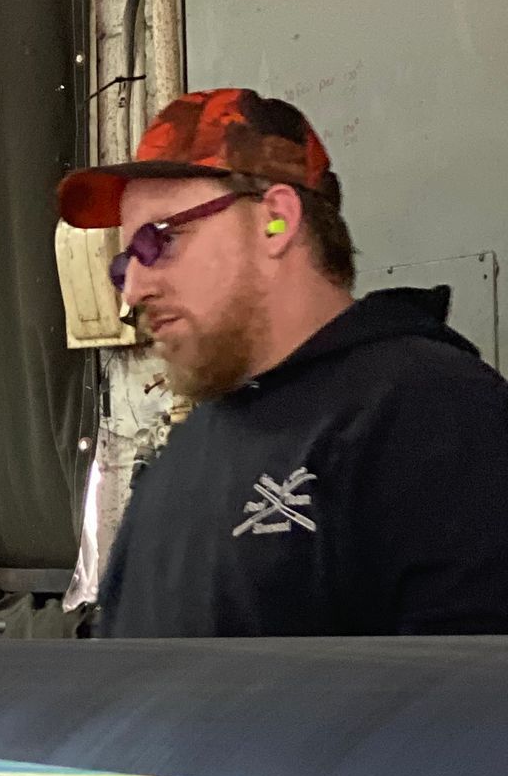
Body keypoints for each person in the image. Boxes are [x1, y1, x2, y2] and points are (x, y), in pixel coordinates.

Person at [60, 89, 508, 638]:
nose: (132, 288)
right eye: (124, 262)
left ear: (276, 219)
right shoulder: (190, 452)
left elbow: (469, 706)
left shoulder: (434, 415)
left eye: (161, 239)